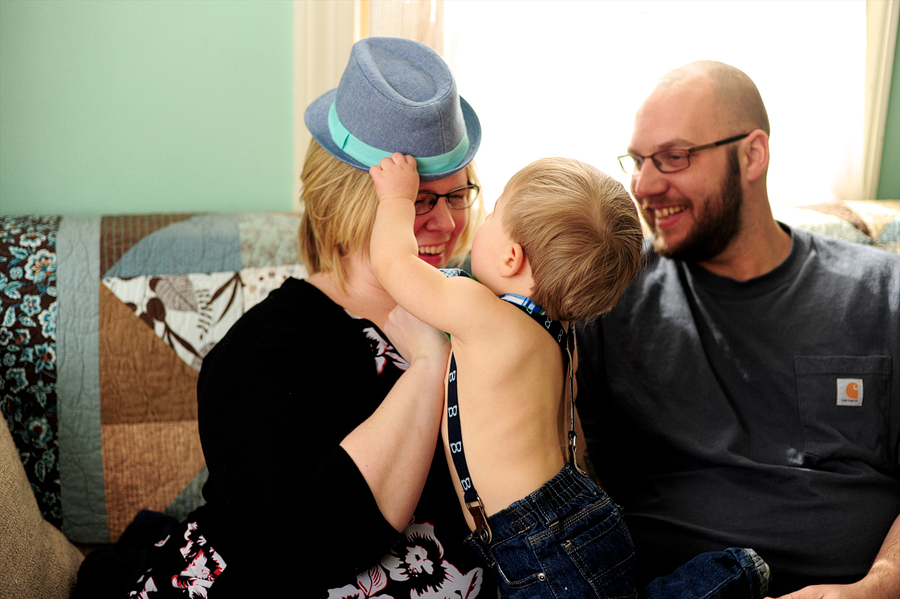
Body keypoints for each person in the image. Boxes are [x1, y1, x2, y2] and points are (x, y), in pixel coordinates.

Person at [73, 37, 497, 598]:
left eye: (457, 194)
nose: (445, 224)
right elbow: (313, 543)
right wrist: (427, 365)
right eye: (419, 200)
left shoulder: (482, 310)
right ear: (351, 201)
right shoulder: (269, 348)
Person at [369, 153, 771, 599]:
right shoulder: (561, 336)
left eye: (493, 215)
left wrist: (398, 196)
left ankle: (728, 577)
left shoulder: (483, 314)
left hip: (536, 542)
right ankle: (730, 575)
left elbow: (394, 267)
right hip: (579, 513)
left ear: (510, 257)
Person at [575, 60, 900, 599]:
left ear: (752, 154)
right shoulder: (610, 293)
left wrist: (875, 588)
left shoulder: (881, 291)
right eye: (637, 161)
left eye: (674, 158)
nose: (644, 185)